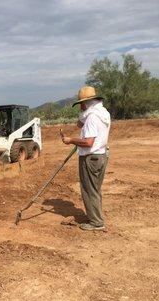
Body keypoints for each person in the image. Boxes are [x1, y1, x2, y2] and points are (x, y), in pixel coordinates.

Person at [61, 86, 111, 231]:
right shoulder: (102, 113)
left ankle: (96, 222)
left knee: (89, 190)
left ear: (87, 102)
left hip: (90, 158)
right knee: (94, 189)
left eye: (81, 103)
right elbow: (80, 123)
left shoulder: (92, 118)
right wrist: (83, 117)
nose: (80, 106)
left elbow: (88, 142)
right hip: (100, 156)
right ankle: (95, 216)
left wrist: (71, 140)